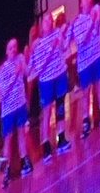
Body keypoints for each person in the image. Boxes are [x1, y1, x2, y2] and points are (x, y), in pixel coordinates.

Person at [68, 0, 100, 137]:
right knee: (86, 93)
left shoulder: (95, 12)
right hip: (85, 63)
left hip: (98, 54)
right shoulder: (78, 21)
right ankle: (86, 122)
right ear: (81, 3)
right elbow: (82, 41)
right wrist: (93, 21)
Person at [28, 11, 72, 161]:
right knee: (46, 112)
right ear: (42, 25)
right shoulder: (37, 44)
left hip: (59, 74)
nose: (49, 23)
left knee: (60, 107)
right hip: (46, 81)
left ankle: (61, 138)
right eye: (46, 21)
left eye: (50, 20)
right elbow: (35, 67)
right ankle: (45, 145)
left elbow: (65, 47)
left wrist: (66, 36)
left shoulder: (57, 33)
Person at [0, 38, 32, 187]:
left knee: (21, 133)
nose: (14, 49)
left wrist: (27, 58)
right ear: (7, 51)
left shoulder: (20, 59)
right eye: (11, 47)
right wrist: (15, 74)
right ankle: (6, 170)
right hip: (8, 111)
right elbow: (3, 92)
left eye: (15, 46)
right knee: (8, 140)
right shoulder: (3, 69)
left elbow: (28, 73)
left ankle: (24, 160)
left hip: (20, 105)